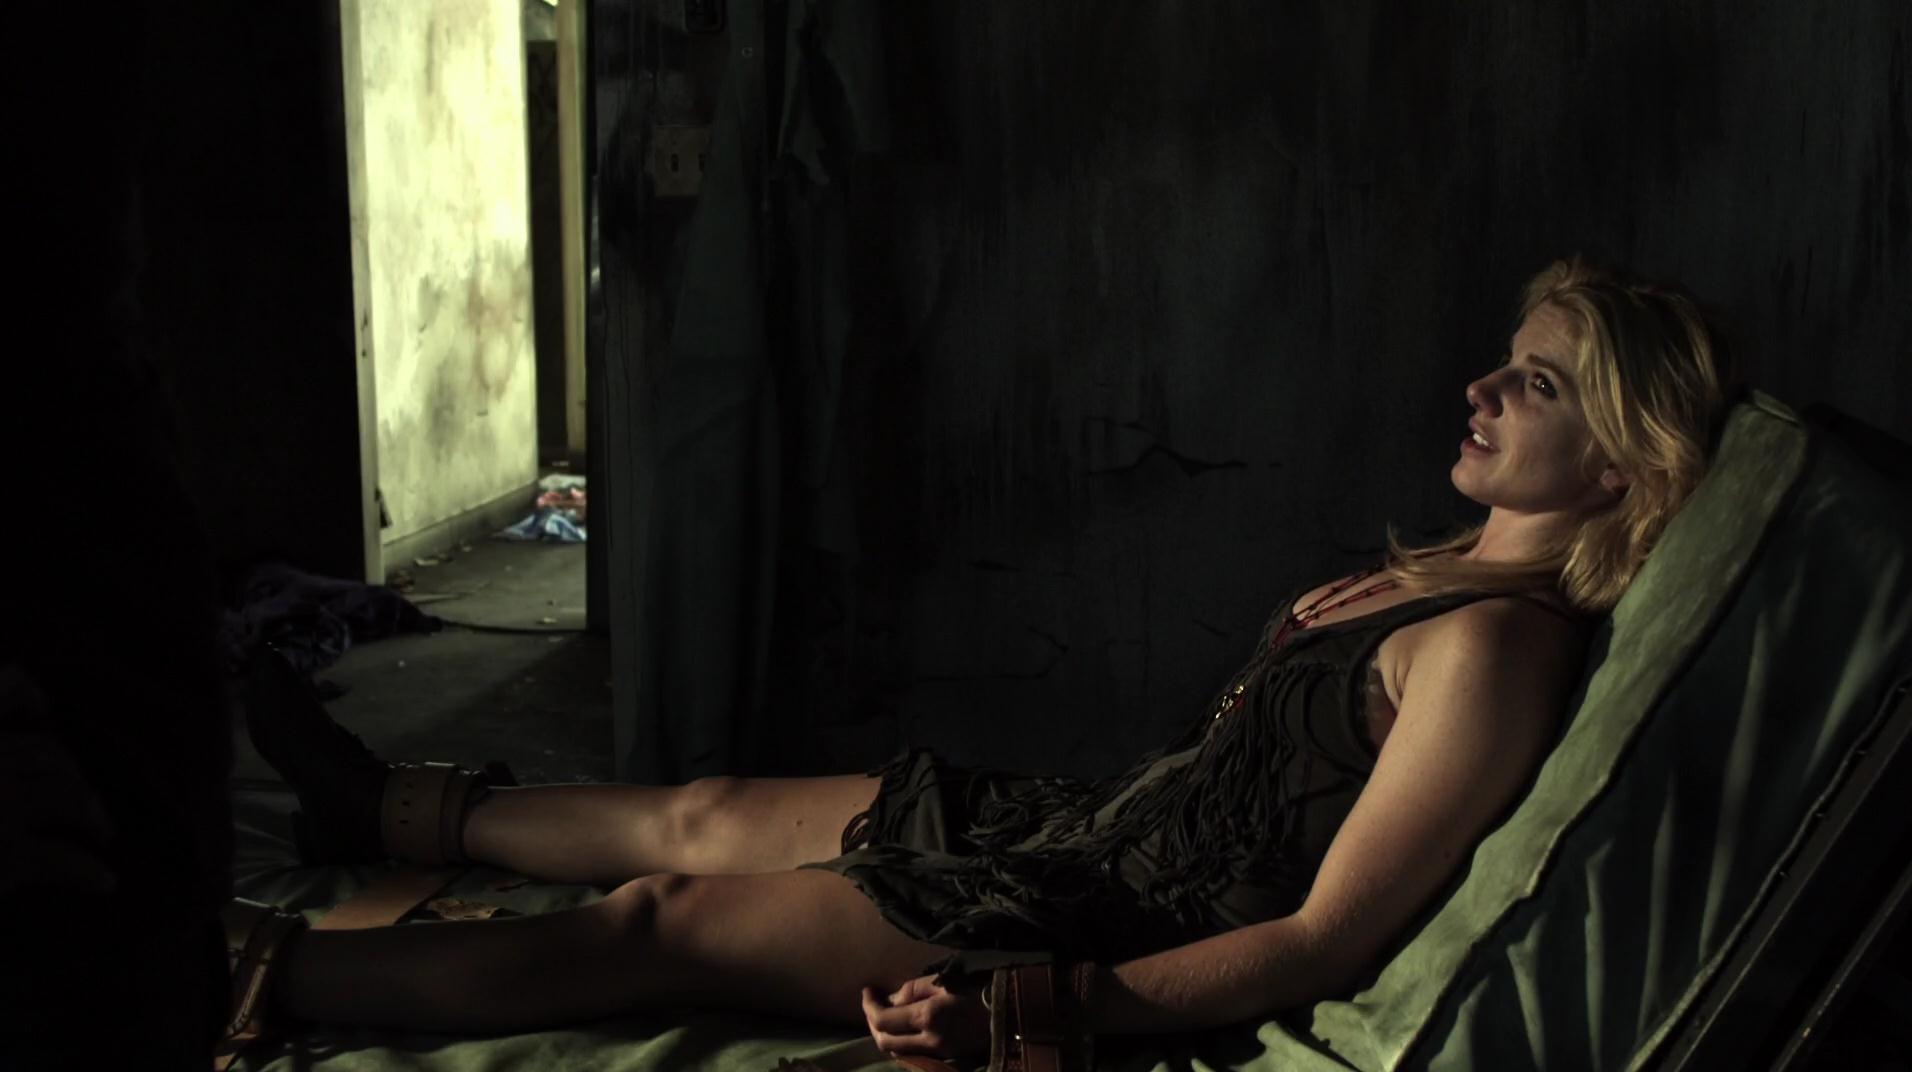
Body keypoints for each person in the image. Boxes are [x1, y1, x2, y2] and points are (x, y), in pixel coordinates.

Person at [224, 255, 1735, 1062]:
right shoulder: (1445, 576)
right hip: (1095, 823)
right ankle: (385, 812)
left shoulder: (1492, 649)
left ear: (1619, 463)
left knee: (660, 919)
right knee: (709, 803)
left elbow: (1323, 940)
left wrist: (1051, 1007)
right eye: (1507, 359)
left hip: (1105, 912)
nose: (1482, 387)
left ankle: (256, 978)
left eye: (1537, 384)